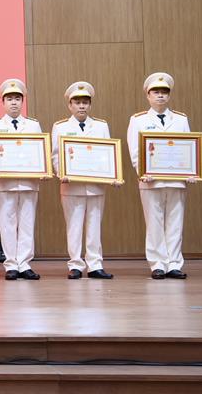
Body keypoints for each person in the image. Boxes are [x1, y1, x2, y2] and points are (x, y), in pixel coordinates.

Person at [126, 72, 200, 280]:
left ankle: (174, 263)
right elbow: (135, 150)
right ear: (148, 95)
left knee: (176, 222)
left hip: (177, 180)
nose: (160, 95)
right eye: (156, 92)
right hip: (150, 180)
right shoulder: (138, 120)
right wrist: (142, 171)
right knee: (154, 223)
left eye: (164, 92)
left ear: (169, 95)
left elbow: (188, 148)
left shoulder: (181, 119)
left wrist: (191, 171)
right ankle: (158, 264)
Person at [51, 82, 119, 280]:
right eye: (77, 102)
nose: (81, 106)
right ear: (70, 105)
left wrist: (113, 174)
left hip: (96, 186)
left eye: (85, 102)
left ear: (90, 105)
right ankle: (75, 265)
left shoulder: (101, 126)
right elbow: (56, 155)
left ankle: (95, 265)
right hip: (71, 185)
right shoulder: (60, 127)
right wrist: (61, 172)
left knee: (94, 226)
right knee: (74, 226)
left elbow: (108, 154)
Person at [0, 79, 47, 281]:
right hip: (4, 183)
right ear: (3, 102)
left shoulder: (33, 125)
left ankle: (25, 264)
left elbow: (40, 152)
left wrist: (43, 169)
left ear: (22, 102)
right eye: (9, 99)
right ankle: (11, 264)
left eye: (17, 99)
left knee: (27, 223)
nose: (14, 102)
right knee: (7, 223)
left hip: (29, 182)